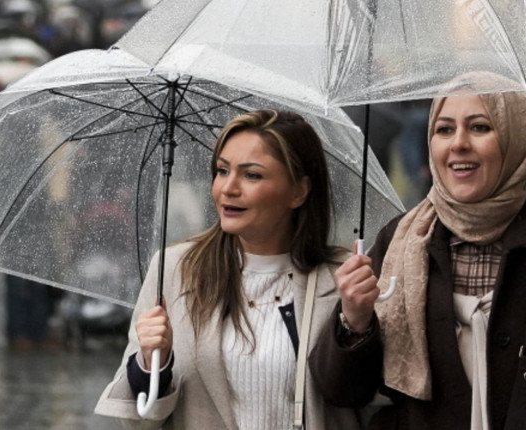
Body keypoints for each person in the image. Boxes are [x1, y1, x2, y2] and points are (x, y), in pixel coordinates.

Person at [310, 81, 526, 428]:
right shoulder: (399, 242)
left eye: (480, 127)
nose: (459, 143)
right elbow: (342, 393)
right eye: (444, 129)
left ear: (515, 139)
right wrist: (354, 320)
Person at [95, 109, 362, 429]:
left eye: (252, 175)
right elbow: (138, 422)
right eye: (222, 171)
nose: (228, 188)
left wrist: (357, 325)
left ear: (299, 191)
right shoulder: (177, 270)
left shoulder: (345, 280)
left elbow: (367, 403)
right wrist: (155, 363)